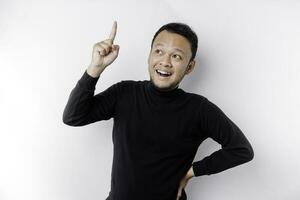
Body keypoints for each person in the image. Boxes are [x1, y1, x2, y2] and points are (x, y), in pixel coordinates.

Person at [62, 21, 254, 200]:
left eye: (176, 56)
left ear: (189, 67)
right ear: (150, 55)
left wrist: (192, 171)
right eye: (159, 51)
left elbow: (241, 149)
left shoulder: (199, 109)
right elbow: (73, 116)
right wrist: (95, 68)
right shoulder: (125, 93)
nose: (165, 62)